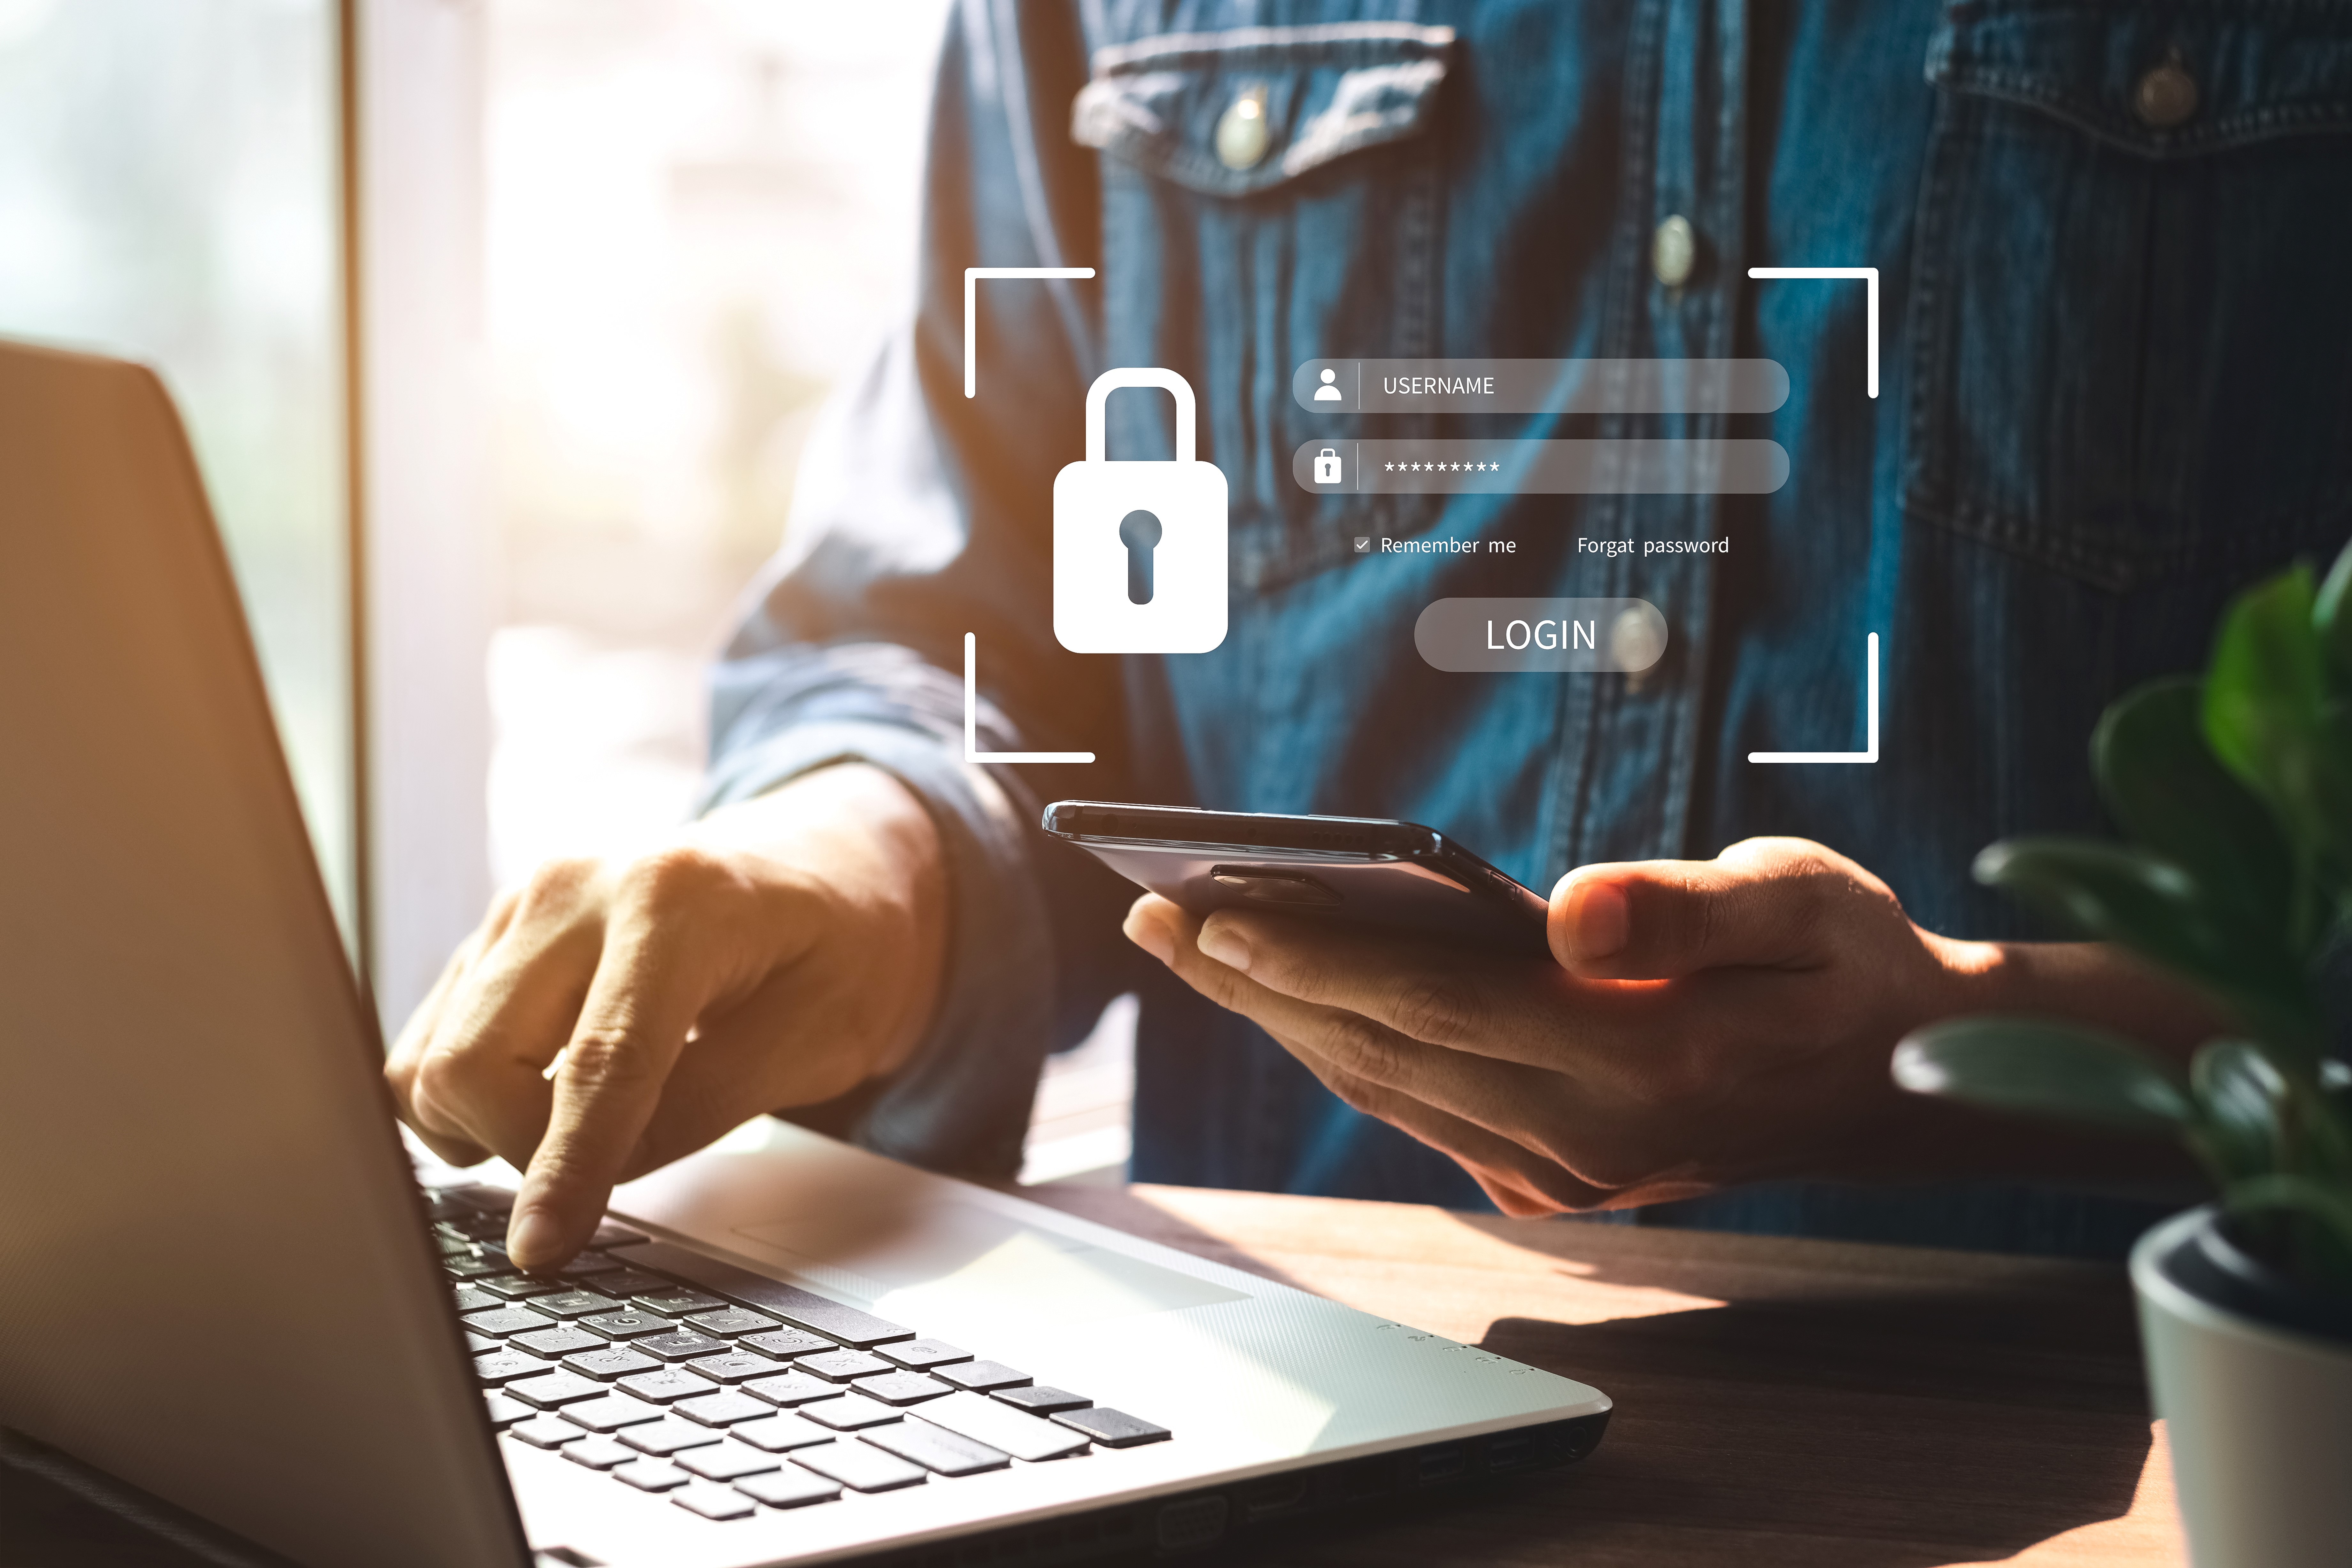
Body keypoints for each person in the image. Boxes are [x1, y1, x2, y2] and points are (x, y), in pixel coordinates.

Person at [387, 2, 2352, 1271]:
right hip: (1271, 1419)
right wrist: (841, 869)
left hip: (2150, 1450)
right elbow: (977, 622)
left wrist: (1953, 1050)